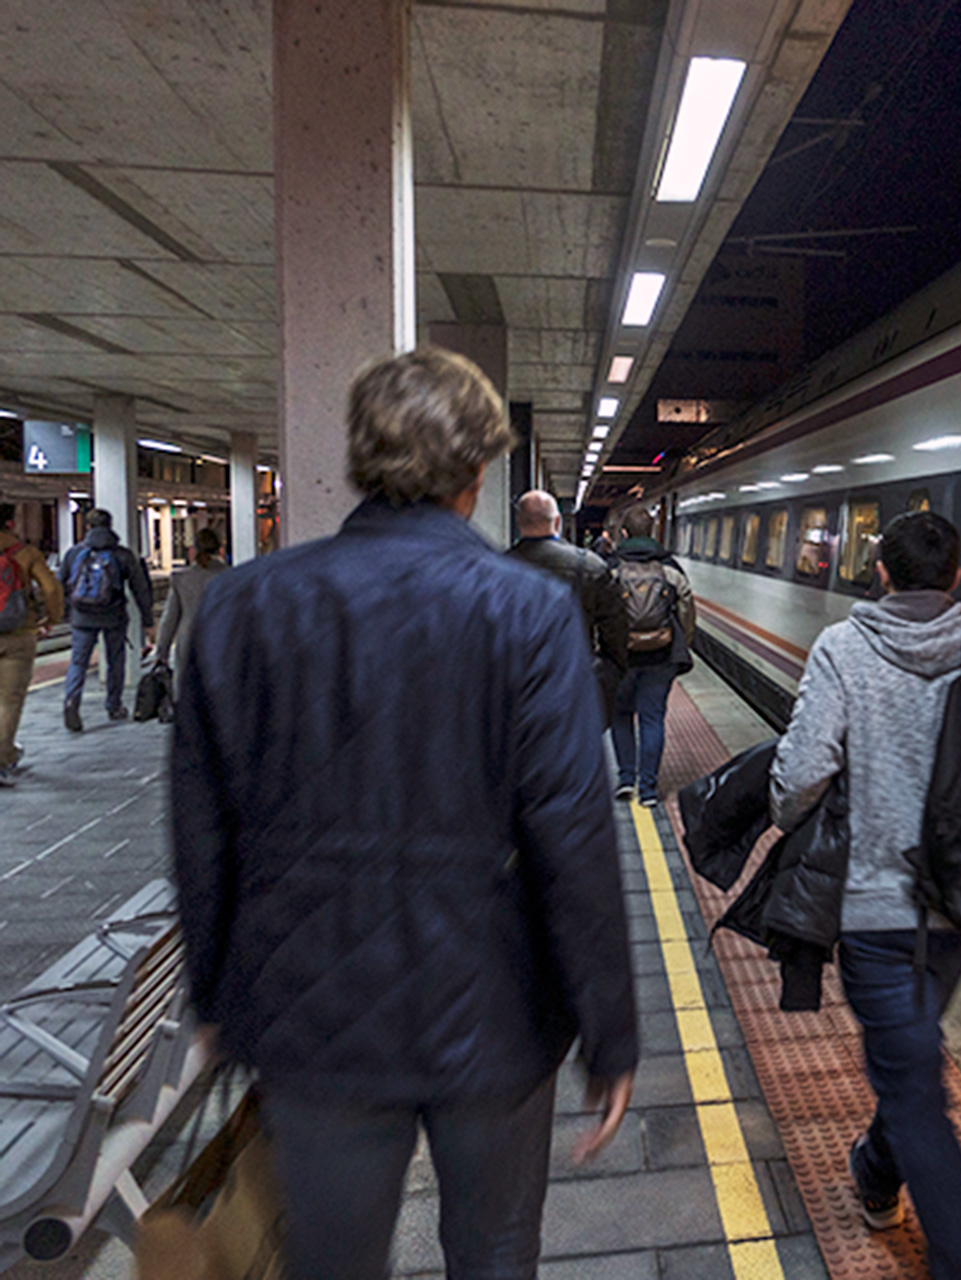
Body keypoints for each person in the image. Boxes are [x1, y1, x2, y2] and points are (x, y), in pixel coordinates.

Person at [170, 347, 637, 1280]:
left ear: (361, 458)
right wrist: (609, 1031)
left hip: (310, 1013)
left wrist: (216, 995)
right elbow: (571, 835)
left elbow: (201, 825)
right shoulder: (527, 609)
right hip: (494, 1012)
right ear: (478, 471)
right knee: (497, 1252)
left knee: (331, 1261)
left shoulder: (242, 607)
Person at [768, 510, 961, 1279]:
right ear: (955, 578)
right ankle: (877, 1170)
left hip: (877, 911)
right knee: (911, 1062)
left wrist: (783, 809)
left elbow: (805, 769)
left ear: (880, 572)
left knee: (913, 1082)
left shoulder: (844, 647)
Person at [505, 490, 627, 724]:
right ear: (558, 522)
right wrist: (609, 674)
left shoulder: (497, 566)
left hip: (518, 688)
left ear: (518, 522)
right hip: (576, 682)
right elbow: (616, 631)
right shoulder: (591, 566)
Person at [607, 508, 694, 805]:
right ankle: (647, 790)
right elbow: (686, 610)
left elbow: (597, 613)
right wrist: (682, 646)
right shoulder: (670, 569)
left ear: (625, 534)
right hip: (661, 657)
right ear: (653, 531)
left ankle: (626, 779)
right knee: (652, 719)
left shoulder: (611, 568)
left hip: (621, 658)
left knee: (621, 716)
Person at [59, 507, 154, 732]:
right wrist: (147, 621)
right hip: (113, 616)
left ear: (88, 526)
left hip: (82, 617)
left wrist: (65, 612)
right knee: (115, 660)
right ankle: (114, 705)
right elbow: (140, 589)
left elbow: (60, 583)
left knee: (78, 662)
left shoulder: (74, 553)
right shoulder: (122, 554)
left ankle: (72, 701)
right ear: (110, 526)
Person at [0, 503, 64, 785]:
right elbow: (51, 588)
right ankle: (3, 756)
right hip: (19, 633)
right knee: (9, 701)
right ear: (11, 524)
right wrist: (52, 618)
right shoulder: (26, 554)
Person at [153, 527, 228, 671]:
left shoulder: (181, 579)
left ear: (194, 549)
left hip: (188, 644)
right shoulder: (232, 576)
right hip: (223, 643)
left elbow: (169, 619)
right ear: (220, 549)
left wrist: (161, 654)